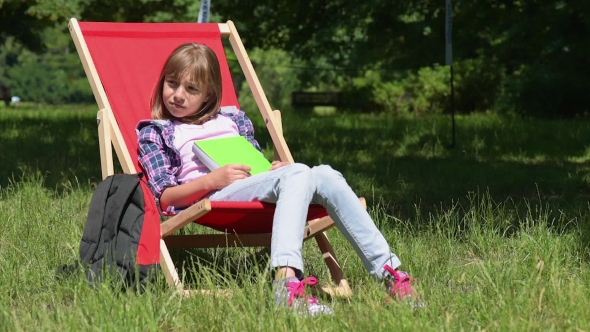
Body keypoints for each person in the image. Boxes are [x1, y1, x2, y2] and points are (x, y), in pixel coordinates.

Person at [137, 43, 422, 316]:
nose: (178, 95)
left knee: (324, 174)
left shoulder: (232, 120)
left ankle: (391, 276)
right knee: (299, 172)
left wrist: (275, 169)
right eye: (172, 83)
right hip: (212, 198)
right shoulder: (158, 132)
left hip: (252, 188)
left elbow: (255, 167)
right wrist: (210, 181)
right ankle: (286, 286)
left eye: (191, 89)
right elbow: (164, 197)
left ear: (209, 95)